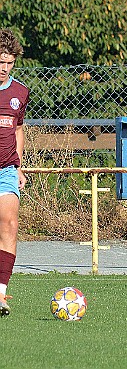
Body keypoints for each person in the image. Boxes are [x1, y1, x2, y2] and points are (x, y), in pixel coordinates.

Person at [0, 29, 29, 317]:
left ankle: (1, 294)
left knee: (9, 225)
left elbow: (18, 128)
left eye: (8, 62)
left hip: (6, 169)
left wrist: (18, 165)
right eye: (0, 62)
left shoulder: (20, 93)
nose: (4, 68)